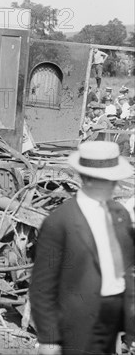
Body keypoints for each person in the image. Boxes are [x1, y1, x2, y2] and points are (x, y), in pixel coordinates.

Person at [30, 141, 134, 355]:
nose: (114, 186)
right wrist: (49, 339)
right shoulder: (60, 222)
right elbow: (42, 287)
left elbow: (126, 268)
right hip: (79, 324)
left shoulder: (119, 213)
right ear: (88, 179)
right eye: (108, 180)